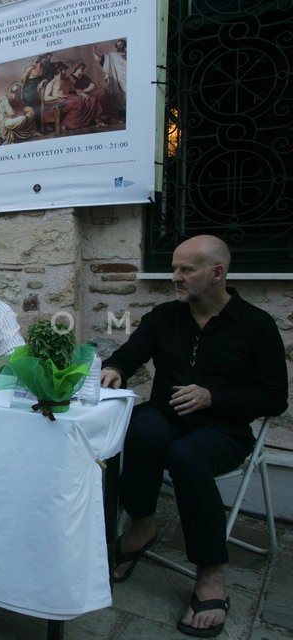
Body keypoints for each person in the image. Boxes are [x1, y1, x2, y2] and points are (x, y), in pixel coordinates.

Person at [102, 235, 287, 638]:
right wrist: (115, 369)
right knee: (138, 427)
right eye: (174, 269)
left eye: (187, 270)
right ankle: (140, 526)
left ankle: (211, 575)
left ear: (217, 273)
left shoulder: (256, 326)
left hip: (223, 429)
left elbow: (275, 398)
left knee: (188, 457)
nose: (176, 278)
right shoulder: (165, 316)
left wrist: (212, 397)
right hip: (167, 417)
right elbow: (130, 353)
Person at [93, 38, 127, 121]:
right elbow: (99, 59)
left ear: (124, 45)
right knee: (119, 97)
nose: (119, 46)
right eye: (118, 45)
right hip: (117, 80)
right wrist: (94, 52)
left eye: (121, 44)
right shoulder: (112, 56)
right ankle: (122, 116)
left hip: (128, 78)